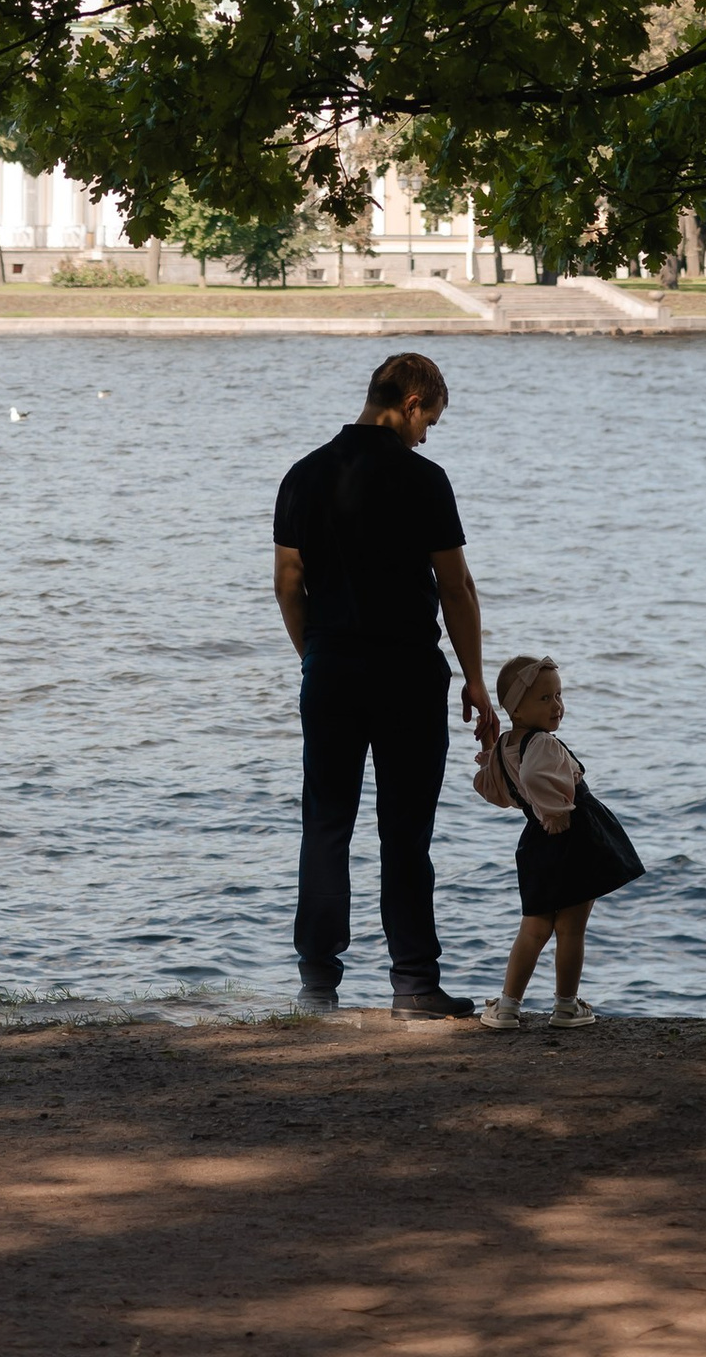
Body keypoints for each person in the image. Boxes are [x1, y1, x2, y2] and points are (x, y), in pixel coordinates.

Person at [273, 349, 495, 1018]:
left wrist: (313, 654)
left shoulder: (304, 475)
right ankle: (415, 986)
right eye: (429, 421)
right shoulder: (423, 479)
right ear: (412, 404)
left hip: (332, 671)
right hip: (407, 675)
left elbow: (288, 584)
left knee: (326, 826)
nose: (427, 436)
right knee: (405, 834)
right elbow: (455, 588)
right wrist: (477, 682)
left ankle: (317, 987)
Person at [473, 650, 644, 1025]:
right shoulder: (544, 744)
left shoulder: (505, 747)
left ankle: (507, 1006)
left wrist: (488, 747)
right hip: (572, 834)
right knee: (571, 928)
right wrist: (555, 813)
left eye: (559, 695)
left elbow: (497, 792)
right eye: (545, 698)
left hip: (537, 842)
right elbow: (537, 779)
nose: (557, 706)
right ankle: (565, 1005)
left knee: (534, 927)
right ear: (516, 710)